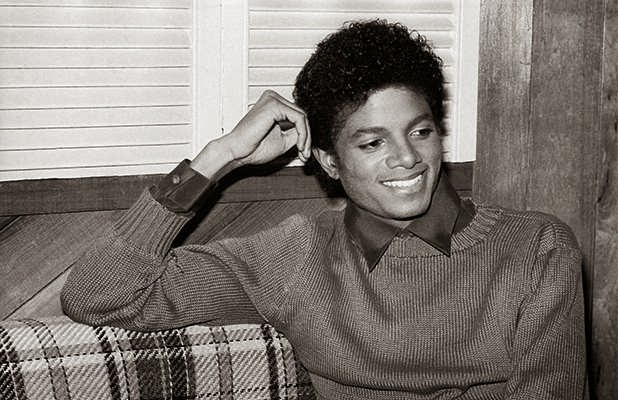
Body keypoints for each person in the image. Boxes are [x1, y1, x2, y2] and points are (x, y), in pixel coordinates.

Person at [61, 20, 586, 399]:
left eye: (420, 132)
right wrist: (220, 156)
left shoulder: (536, 248)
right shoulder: (295, 256)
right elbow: (99, 294)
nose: (407, 158)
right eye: (372, 143)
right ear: (330, 161)